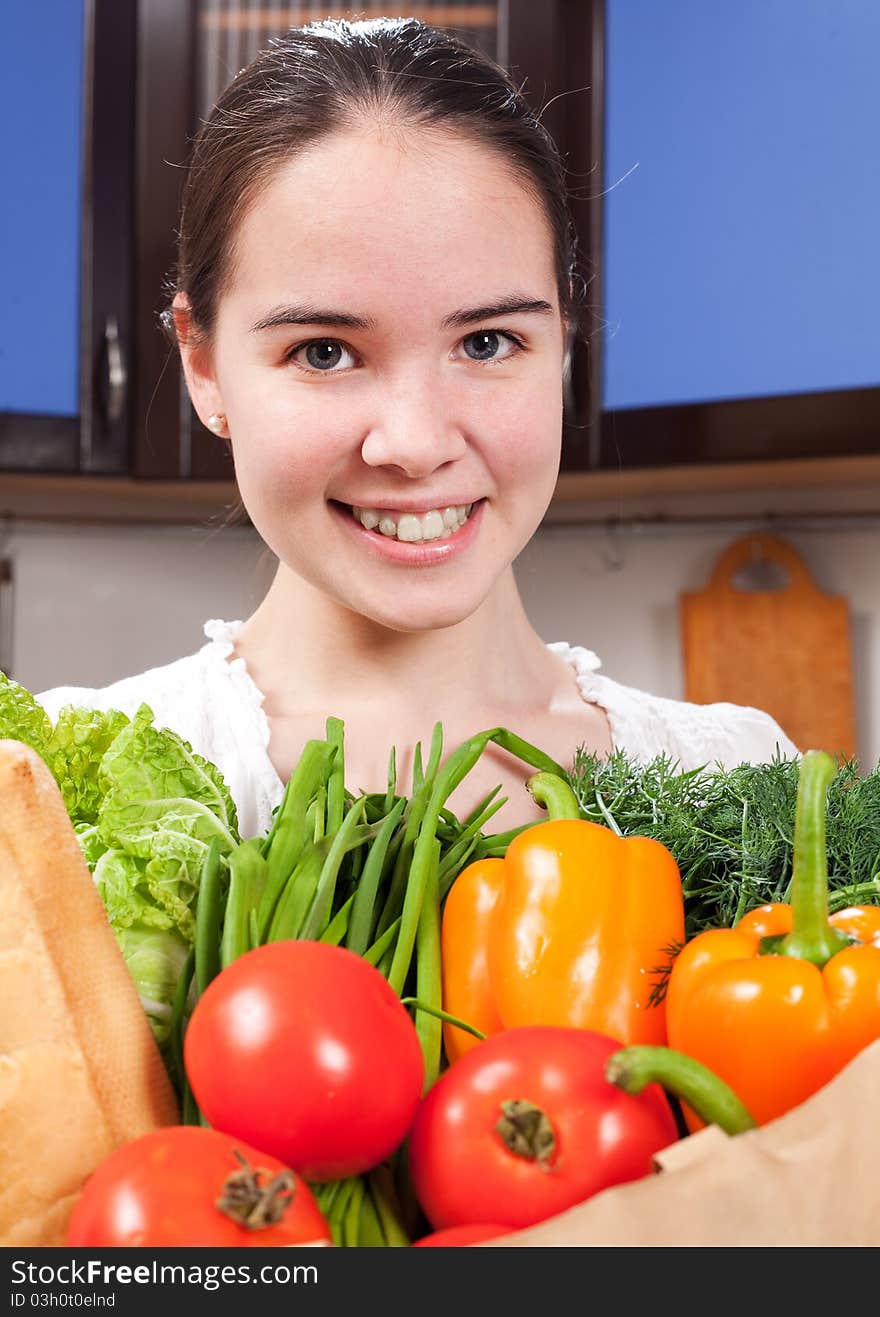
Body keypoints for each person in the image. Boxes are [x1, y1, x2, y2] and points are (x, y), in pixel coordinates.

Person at [38, 17, 797, 840]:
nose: (414, 442)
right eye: (324, 351)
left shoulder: (742, 780)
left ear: (563, 346)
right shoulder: (49, 790)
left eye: (486, 342)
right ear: (205, 366)